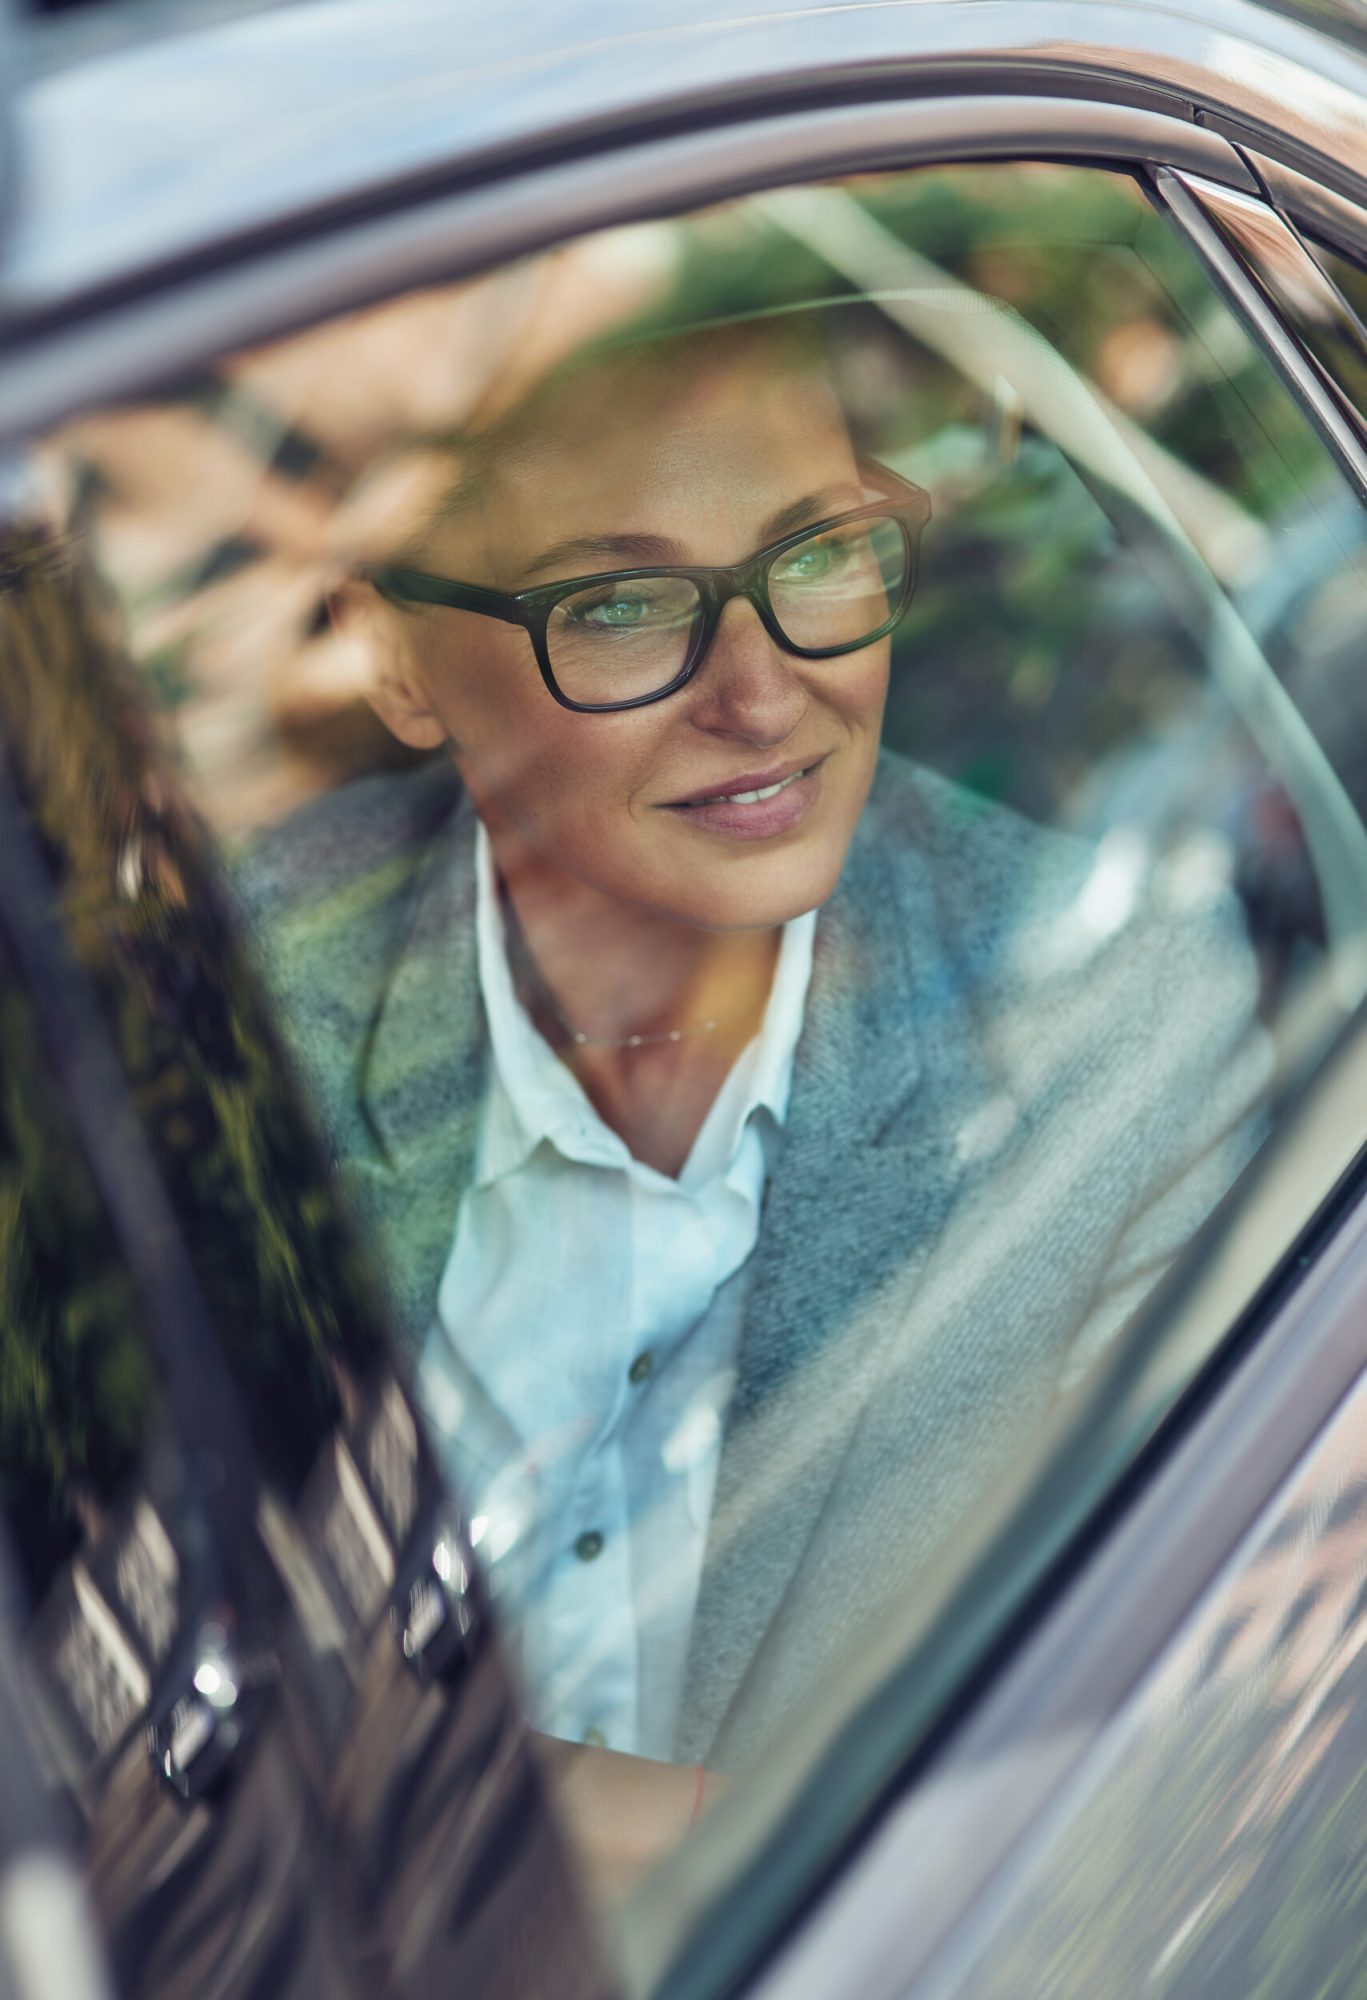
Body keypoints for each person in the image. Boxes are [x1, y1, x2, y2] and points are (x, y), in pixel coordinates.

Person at [239, 318, 1267, 1832]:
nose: (767, 689)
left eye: (820, 555)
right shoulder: (244, 995)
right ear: (399, 660)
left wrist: (553, 1837)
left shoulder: (1113, 1027)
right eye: (625, 603)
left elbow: (1131, 1791)